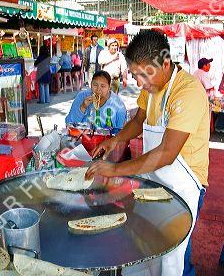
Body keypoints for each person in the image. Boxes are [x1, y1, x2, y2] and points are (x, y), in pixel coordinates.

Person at [85, 29, 209, 275]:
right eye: (134, 75)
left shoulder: (188, 92)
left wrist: (115, 169)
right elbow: (139, 120)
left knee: (173, 257)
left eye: (143, 75)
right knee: (144, 244)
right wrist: (115, 140)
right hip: (154, 181)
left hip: (184, 187)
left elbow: (166, 154)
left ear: (165, 63)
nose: (139, 82)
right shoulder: (151, 88)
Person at [193, 57, 224, 134]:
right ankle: (220, 127)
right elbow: (209, 87)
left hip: (196, 98)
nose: (210, 66)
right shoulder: (202, 74)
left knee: (219, 106)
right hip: (201, 99)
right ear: (204, 66)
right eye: (208, 64)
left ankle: (217, 124)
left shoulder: (197, 72)